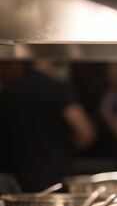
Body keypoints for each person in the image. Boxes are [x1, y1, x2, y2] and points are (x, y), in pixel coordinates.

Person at [0, 60, 94, 192]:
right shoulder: (59, 89)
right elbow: (85, 132)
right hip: (55, 181)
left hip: (17, 182)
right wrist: (68, 144)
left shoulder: (8, 92)